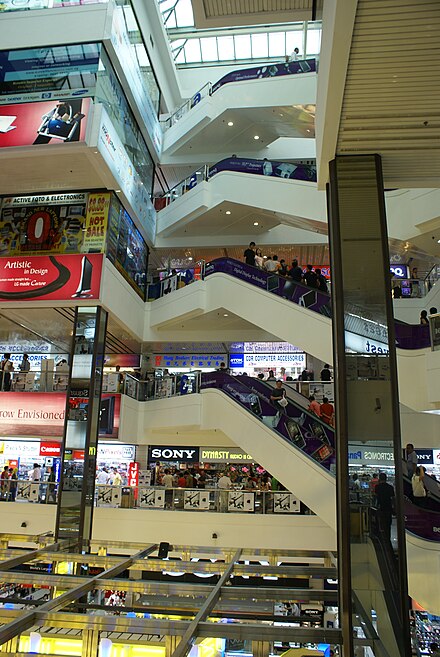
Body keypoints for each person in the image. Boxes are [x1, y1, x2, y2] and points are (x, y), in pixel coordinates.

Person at [374, 473, 395, 541]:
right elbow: (392, 498)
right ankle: (388, 538)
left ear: (379, 479)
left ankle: (381, 538)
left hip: (381, 507)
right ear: (386, 478)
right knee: (388, 524)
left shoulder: (377, 487)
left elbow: (376, 496)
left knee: (381, 523)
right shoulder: (390, 487)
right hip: (388, 508)